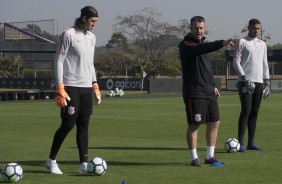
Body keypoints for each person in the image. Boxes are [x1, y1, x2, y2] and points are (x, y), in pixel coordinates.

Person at [45, 6, 102, 174]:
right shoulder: (68, 34)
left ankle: (83, 164)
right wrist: (60, 87)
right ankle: (51, 160)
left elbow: (90, 63)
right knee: (68, 124)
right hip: (70, 86)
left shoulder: (92, 37)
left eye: (96, 22)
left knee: (84, 125)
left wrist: (95, 85)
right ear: (84, 18)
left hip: (86, 88)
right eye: (92, 21)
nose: (94, 25)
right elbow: (59, 60)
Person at [178, 16, 234, 167]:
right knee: (194, 125)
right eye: (196, 28)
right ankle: (193, 158)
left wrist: (213, 85)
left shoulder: (203, 45)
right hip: (194, 92)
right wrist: (221, 43)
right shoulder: (186, 44)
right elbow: (202, 48)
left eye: (202, 28)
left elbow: (206, 69)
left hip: (208, 91)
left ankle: (210, 156)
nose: (199, 30)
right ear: (191, 28)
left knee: (214, 122)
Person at [233, 18, 270, 152]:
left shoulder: (262, 44)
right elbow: (235, 62)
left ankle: (251, 143)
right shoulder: (241, 42)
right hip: (245, 82)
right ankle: (240, 144)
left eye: (259, 28)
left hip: (259, 82)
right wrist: (244, 78)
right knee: (246, 111)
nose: (257, 31)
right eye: (254, 28)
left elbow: (265, 64)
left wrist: (267, 82)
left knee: (254, 112)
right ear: (248, 28)